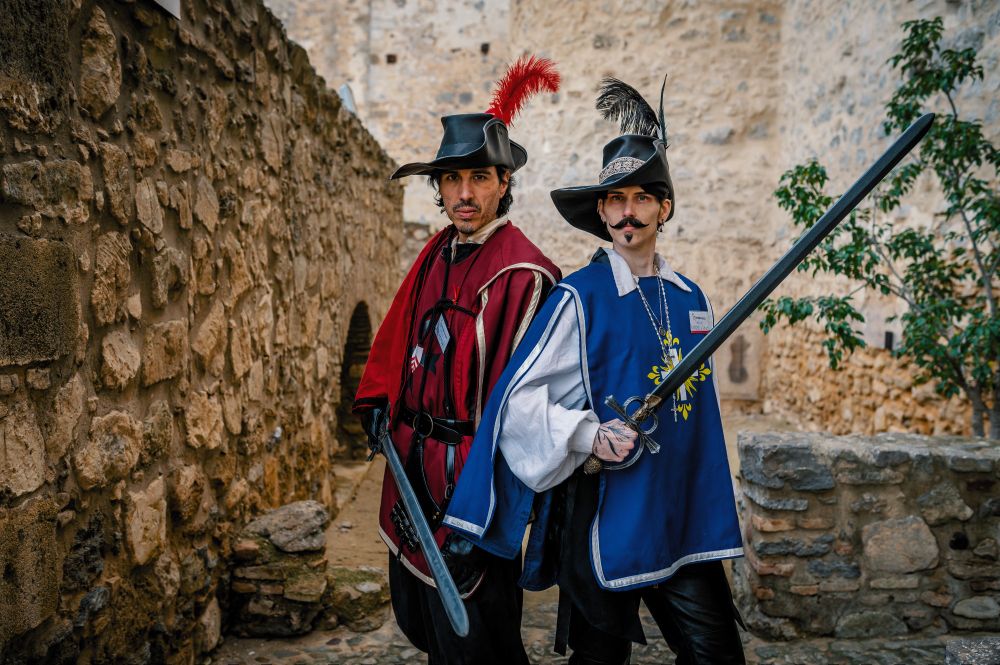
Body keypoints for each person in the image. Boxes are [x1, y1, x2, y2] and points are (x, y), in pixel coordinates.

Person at [444, 78, 746, 664]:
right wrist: (588, 436)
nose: (627, 212)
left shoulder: (691, 298)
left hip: (681, 512)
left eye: (640, 198)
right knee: (600, 661)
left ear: (664, 207)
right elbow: (519, 402)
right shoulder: (578, 298)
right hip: (606, 514)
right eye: (615, 200)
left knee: (717, 657)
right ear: (601, 212)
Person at [352, 56, 561, 664]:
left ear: (503, 183)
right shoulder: (437, 249)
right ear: (438, 188)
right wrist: (376, 400)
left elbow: (516, 413)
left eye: (479, 178)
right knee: (423, 622)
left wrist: (481, 513)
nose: (464, 194)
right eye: (451, 180)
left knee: (480, 640)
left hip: (472, 486)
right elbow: (397, 333)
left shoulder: (527, 275)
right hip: (412, 468)